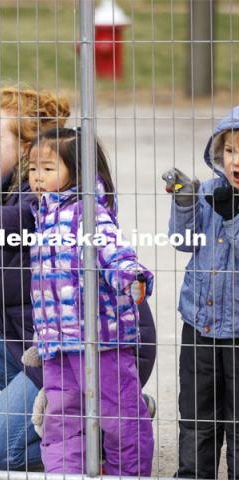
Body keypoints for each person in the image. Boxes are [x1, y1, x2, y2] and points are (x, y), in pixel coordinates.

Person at [0, 84, 156, 470]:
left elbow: (17, 220)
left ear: (29, 149)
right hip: (46, 344)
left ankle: (101, 423)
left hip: (102, 344)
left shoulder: (52, 203)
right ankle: (67, 412)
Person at [26, 127, 154, 474]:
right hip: (57, 343)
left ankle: (127, 474)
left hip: (102, 341)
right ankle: (64, 473)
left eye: (47, 169)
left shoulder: (89, 212)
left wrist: (131, 274)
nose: (36, 177)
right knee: (61, 418)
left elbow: (113, 249)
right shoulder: (43, 213)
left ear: (77, 171)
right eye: (33, 168)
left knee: (119, 416)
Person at [162, 106, 239, 479]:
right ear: (218, 153)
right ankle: (193, 474)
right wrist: (185, 201)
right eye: (230, 151)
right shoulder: (210, 192)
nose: (236, 160)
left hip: (238, 331)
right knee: (196, 413)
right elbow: (182, 241)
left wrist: (233, 216)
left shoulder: (226, 202)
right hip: (200, 323)